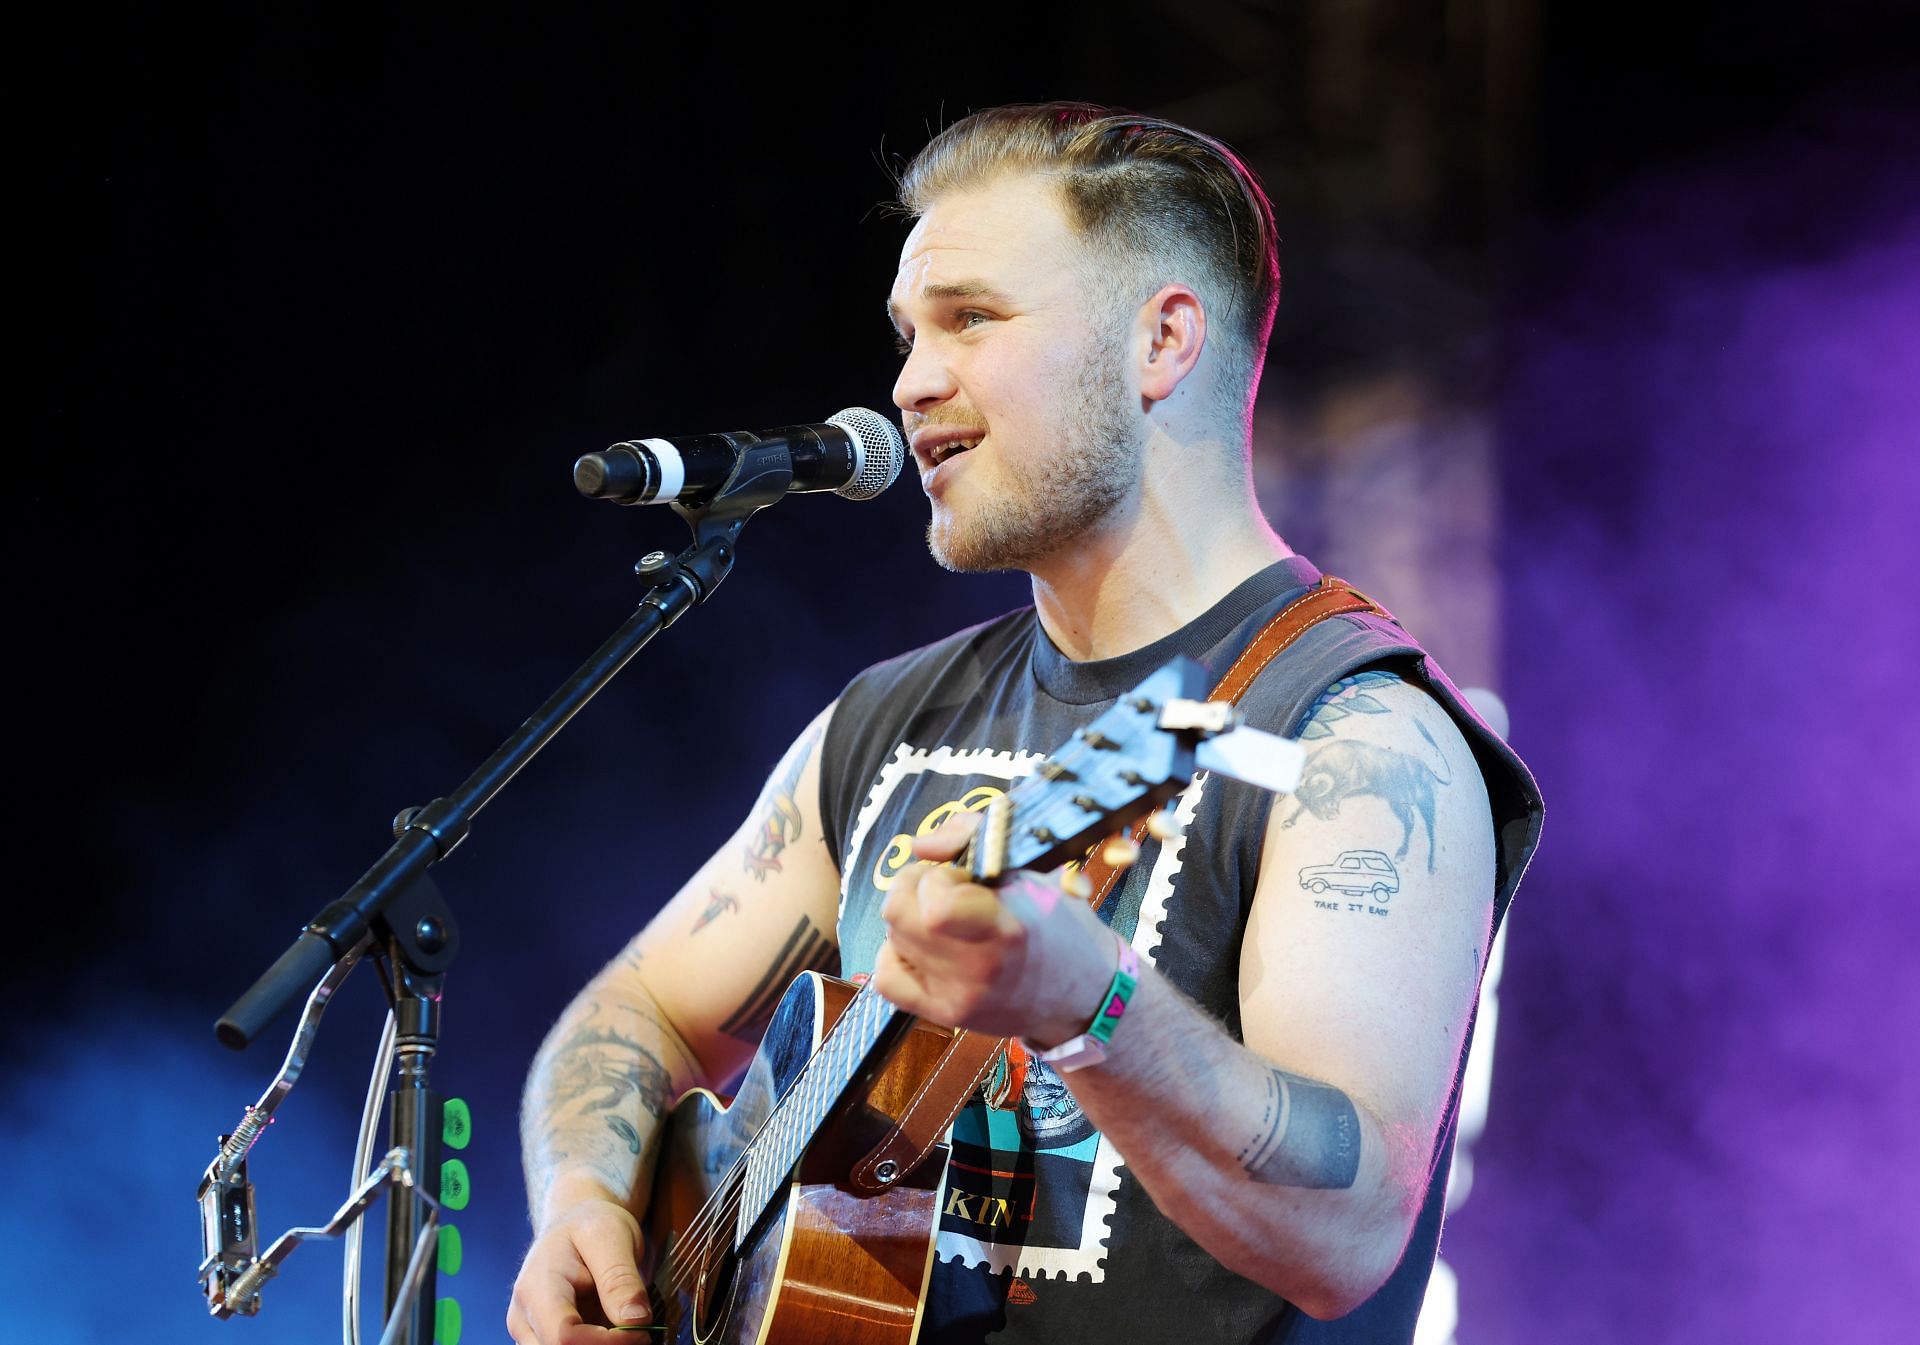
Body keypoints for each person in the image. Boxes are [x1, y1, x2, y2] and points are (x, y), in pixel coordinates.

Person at [508, 102, 1543, 1345]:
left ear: (1161, 341)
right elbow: (634, 1014)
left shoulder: (1354, 736)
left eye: (972, 319)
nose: (908, 383)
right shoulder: (889, 720)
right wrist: (585, 1197)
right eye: (907, 334)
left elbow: (1351, 1229)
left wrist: (1090, 1003)